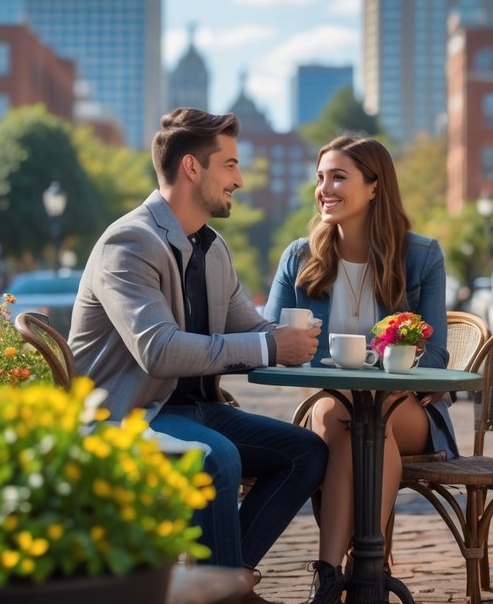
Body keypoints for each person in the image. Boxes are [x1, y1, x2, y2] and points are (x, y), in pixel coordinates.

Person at [70, 108, 328, 597]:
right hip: (127, 415)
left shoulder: (212, 248)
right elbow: (159, 351)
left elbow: (250, 329)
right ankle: (226, 591)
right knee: (216, 457)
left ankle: (215, 584)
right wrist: (269, 344)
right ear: (192, 167)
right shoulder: (129, 243)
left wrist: (300, 339)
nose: (241, 180)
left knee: (306, 453)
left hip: (196, 410)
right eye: (229, 165)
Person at [265, 134, 455, 604]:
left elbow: (436, 355)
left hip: (406, 410)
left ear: (374, 186)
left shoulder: (421, 256)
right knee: (340, 414)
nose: (325, 188)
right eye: (320, 178)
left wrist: (389, 370)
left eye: (338, 177)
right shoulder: (299, 258)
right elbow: (270, 339)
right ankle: (338, 573)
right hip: (334, 407)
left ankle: (362, 564)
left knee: (377, 412)